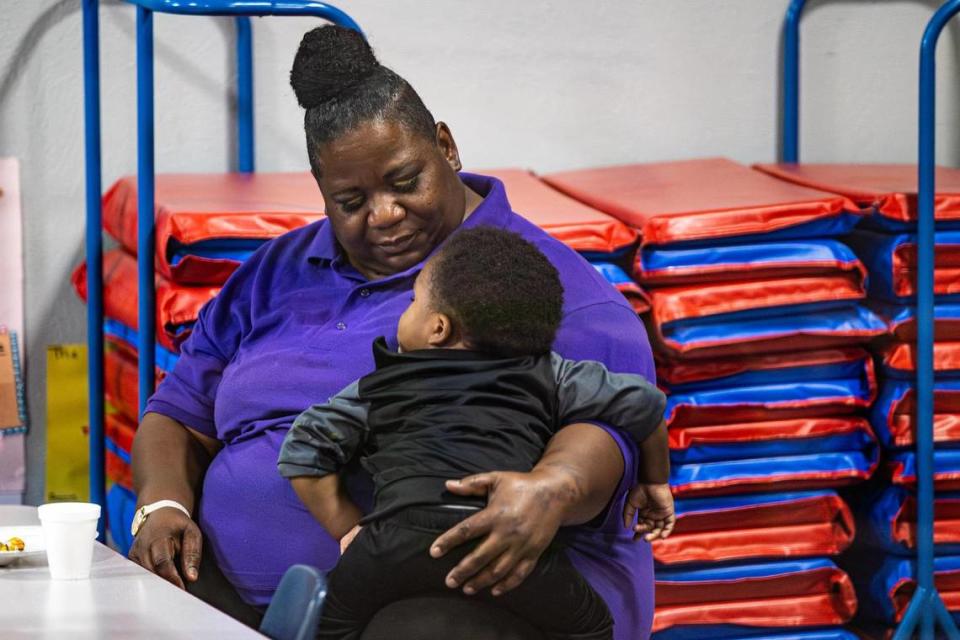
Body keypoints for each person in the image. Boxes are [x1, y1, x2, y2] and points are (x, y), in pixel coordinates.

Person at [129, 24, 663, 639]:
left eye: (405, 182)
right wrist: (163, 505)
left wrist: (551, 486)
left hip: (471, 596)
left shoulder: (539, 288)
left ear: (446, 146)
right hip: (247, 592)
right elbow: (178, 411)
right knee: (145, 600)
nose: (383, 214)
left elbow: (604, 434)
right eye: (351, 200)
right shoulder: (272, 272)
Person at [278, 227, 673, 640]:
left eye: (414, 301)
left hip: (395, 540)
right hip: (507, 543)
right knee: (590, 626)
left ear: (438, 329)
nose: (406, 311)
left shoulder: (382, 385)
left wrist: (349, 528)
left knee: (328, 623)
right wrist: (655, 480)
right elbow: (646, 405)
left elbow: (305, 447)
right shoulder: (550, 374)